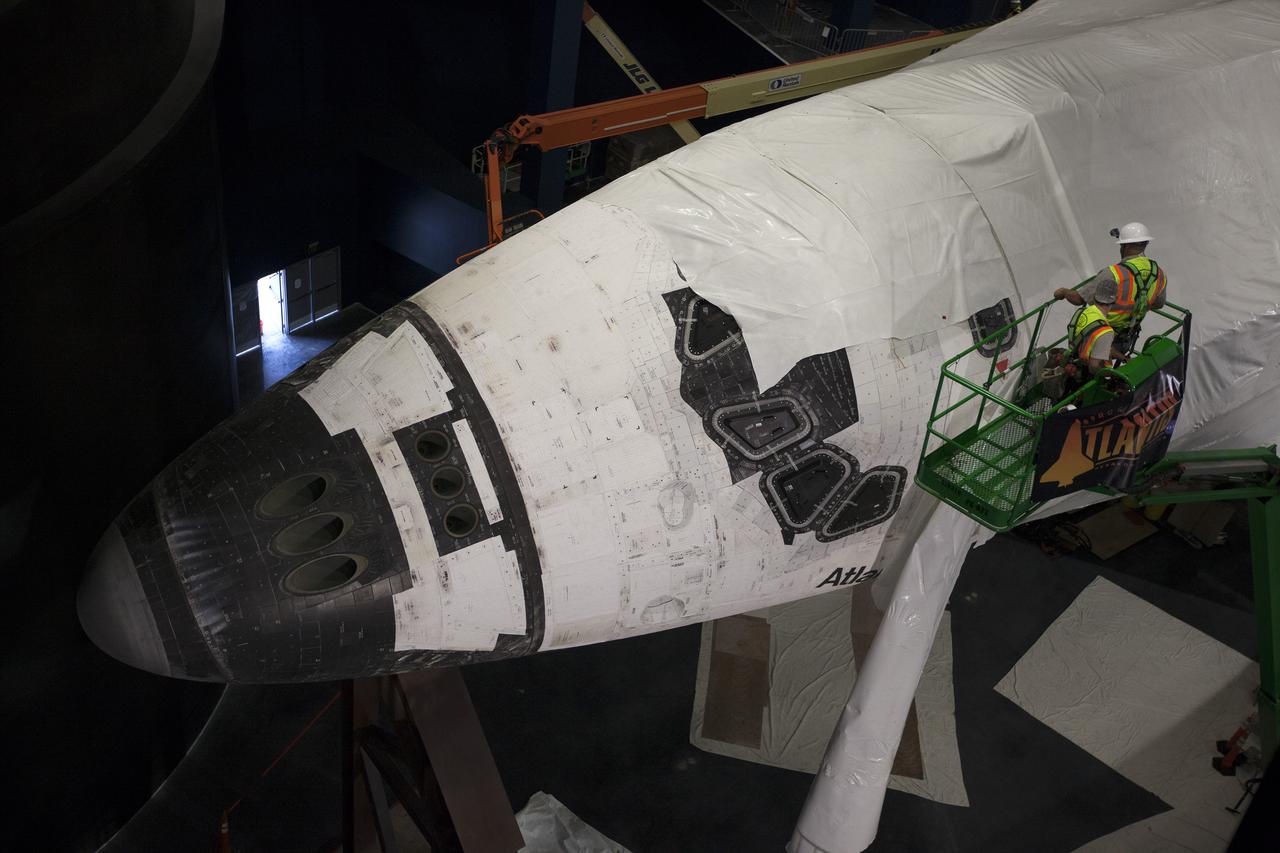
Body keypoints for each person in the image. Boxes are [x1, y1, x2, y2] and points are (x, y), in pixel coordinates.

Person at [1053, 222, 1168, 356]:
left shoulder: (1113, 274)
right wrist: (1135, 307)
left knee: (1082, 314)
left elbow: (1079, 299)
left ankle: (1076, 357)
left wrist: (1064, 292)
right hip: (1127, 338)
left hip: (1103, 338)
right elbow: (1159, 303)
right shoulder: (1159, 273)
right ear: (1145, 244)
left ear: (1125, 245)